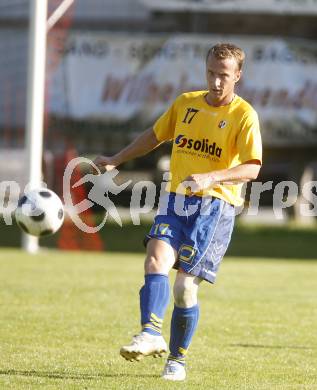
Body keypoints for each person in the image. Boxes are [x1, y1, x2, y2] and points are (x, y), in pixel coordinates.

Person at [93, 43, 262, 381]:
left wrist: (211, 177)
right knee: (155, 258)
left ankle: (177, 359)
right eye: (211, 73)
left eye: (224, 76)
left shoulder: (244, 115)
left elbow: (252, 168)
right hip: (176, 201)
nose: (216, 82)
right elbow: (153, 137)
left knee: (185, 288)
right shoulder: (186, 104)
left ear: (238, 76)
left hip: (215, 208)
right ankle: (150, 333)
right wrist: (116, 159)